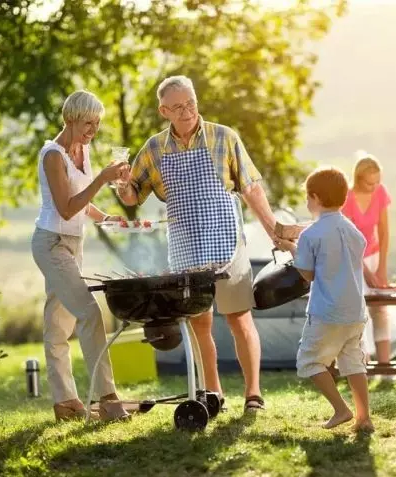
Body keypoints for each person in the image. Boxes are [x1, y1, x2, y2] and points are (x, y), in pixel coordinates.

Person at [116, 75, 280, 411]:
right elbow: (133, 195)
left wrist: (275, 229)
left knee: (238, 318)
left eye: (190, 102)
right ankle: (212, 392)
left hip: (225, 241)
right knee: (198, 321)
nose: (187, 111)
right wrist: (120, 185)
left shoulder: (224, 137)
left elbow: (250, 188)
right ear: (164, 111)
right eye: (178, 107)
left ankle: (253, 394)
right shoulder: (154, 148)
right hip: (186, 244)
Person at [31, 90, 131, 421]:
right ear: (72, 118)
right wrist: (103, 178)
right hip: (51, 243)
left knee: (59, 324)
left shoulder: (83, 150)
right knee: (90, 313)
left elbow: (82, 203)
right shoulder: (53, 156)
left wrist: (106, 219)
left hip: (75, 243)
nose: (93, 129)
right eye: (89, 122)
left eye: (97, 123)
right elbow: (66, 206)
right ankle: (108, 399)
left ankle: (65, 403)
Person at [277, 166, 374, 432]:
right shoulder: (353, 230)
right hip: (355, 312)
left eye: (308, 197)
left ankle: (341, 410)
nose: (307, 202)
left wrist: (291, 248)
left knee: (308, 361)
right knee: (353, 362)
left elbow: (307, 274)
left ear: (316, 198)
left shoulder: (310, 235)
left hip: (326, 311)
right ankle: (364, 418)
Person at [341, 151, 393, 370]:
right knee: (358, 312)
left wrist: (381, 268)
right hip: (353, 260)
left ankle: (386, 367)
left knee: (380, 309)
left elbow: (384, 230)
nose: (374, 187)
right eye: (370, 183)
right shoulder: (348, 199)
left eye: (377, 182)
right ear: (358, 178)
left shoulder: (380, 193)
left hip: (374, 255)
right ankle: (362, 366)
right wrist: (366, 272)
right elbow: (349, 242)